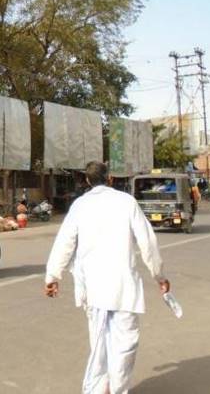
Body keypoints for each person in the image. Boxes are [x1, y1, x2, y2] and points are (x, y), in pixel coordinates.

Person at [44, 161, 170, 394]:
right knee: (124, 346)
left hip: (93, 288)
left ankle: (100, 389)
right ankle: (116, 389)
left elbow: (65, 243)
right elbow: (147, 243)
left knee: (99, 343)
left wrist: (52, 276)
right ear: (110, 178)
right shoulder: (127, 202)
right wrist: (159, 275)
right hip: (123, 288)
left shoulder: (80, 206)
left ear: (87, 181)